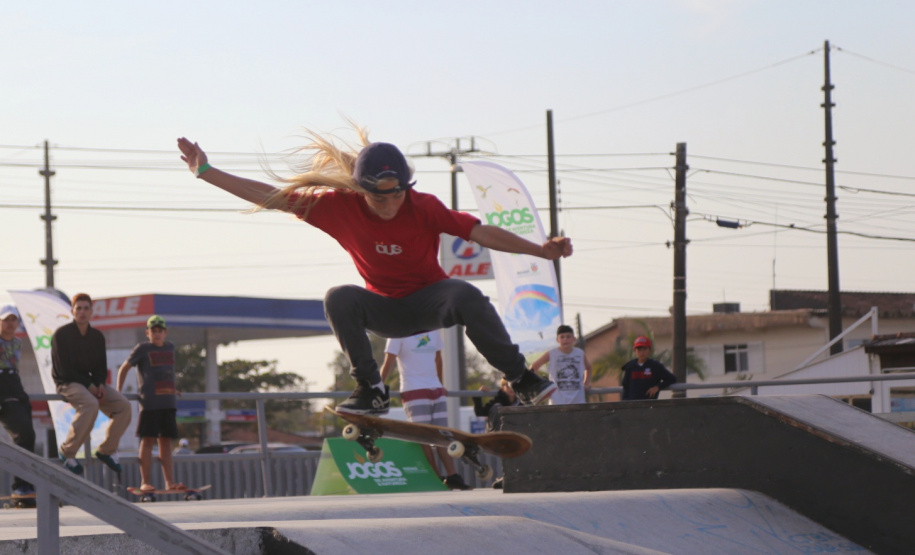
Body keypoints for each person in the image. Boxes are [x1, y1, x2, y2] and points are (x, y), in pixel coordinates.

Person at [177, 130, 570, 415]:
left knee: (465, 294)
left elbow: (479, 230)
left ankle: (522, 379)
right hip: (382, 309)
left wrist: (539, 250)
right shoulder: (336, 206)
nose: (389, 205)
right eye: (378, 197)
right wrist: (206, 171)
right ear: (360, 189)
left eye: (396, 194)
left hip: (429, 300)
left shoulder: (424, 205)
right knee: (339, 296)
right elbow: (270, 197)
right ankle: (371, 388)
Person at [380, 330, 471, 490]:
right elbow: (438, 359)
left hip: (421, 390)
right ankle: (444, 476)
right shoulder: (417, 329)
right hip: (424, 389)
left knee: (434, 437)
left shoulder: (400, 330)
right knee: (432, 437)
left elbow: (389, 361)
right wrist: (440, 385)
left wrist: (377, 387)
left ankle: (448, 476)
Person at [52, 293, 131, 475]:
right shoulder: (61, 335)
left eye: (86, 308)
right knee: (90, 403)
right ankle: (68, 452)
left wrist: (100, 384)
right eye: (78, 308)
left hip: (90, 385)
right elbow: (65, 369)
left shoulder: (97, 336)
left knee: (124, 406)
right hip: (67, 382)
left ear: (91, 312)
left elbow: (100, 367)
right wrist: (90, 386)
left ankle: (106, 451)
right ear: (72, 311)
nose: (82, 312)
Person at [116, 315, 185, 491]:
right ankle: (145, 481)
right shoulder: (142, 348)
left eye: (160, 331)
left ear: (165, 332)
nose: (157, 334)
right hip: (150, 403)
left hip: (168, 401)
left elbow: (166, 372)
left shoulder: (170, 347)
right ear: (147, 332)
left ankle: (170, 482)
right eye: (153, 331)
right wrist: (118, 391)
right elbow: (124, 367)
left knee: (166, 442)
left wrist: (173, 388)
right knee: (147, 441)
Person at [0, 306, 37, 498]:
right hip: (3, 394)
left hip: (16, 389)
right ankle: (21, 485)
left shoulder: (17, 343)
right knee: (23, 433)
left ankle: (25, 485)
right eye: (6, 319)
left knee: (28, 436)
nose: (10, 323)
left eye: (13, 319)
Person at [472, 379, 521, 489]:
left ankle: (512, 476)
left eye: (512, 386)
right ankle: (497, 433)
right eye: (507, 386)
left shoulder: (521, 401)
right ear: (502, 388)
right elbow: (480, 412)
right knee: (497, 407)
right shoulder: (497, 400)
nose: (510, 389)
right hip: (500, 432)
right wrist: (478, 396)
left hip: (516, 433)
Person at [530, 324, 592, 405]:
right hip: (557, 402)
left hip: (578, 401)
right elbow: (533, 367)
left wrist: (586, 383)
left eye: (568, 336)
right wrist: (542, 385)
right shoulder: (552, 353)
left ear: (574, 339)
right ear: (557, 340)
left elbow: (588, 368)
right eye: (562, 337)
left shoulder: (580, 353)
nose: (565, 339)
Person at [620, 336, 677, 400]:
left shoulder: (655, 366)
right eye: (639, 349)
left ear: (650, 350)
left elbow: (672, 379)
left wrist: (658, 387)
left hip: (649, 404)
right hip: (632, 405)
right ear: (634, 350)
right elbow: (625, 386)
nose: (642, 352)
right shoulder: (630, 366)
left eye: (645, 349)